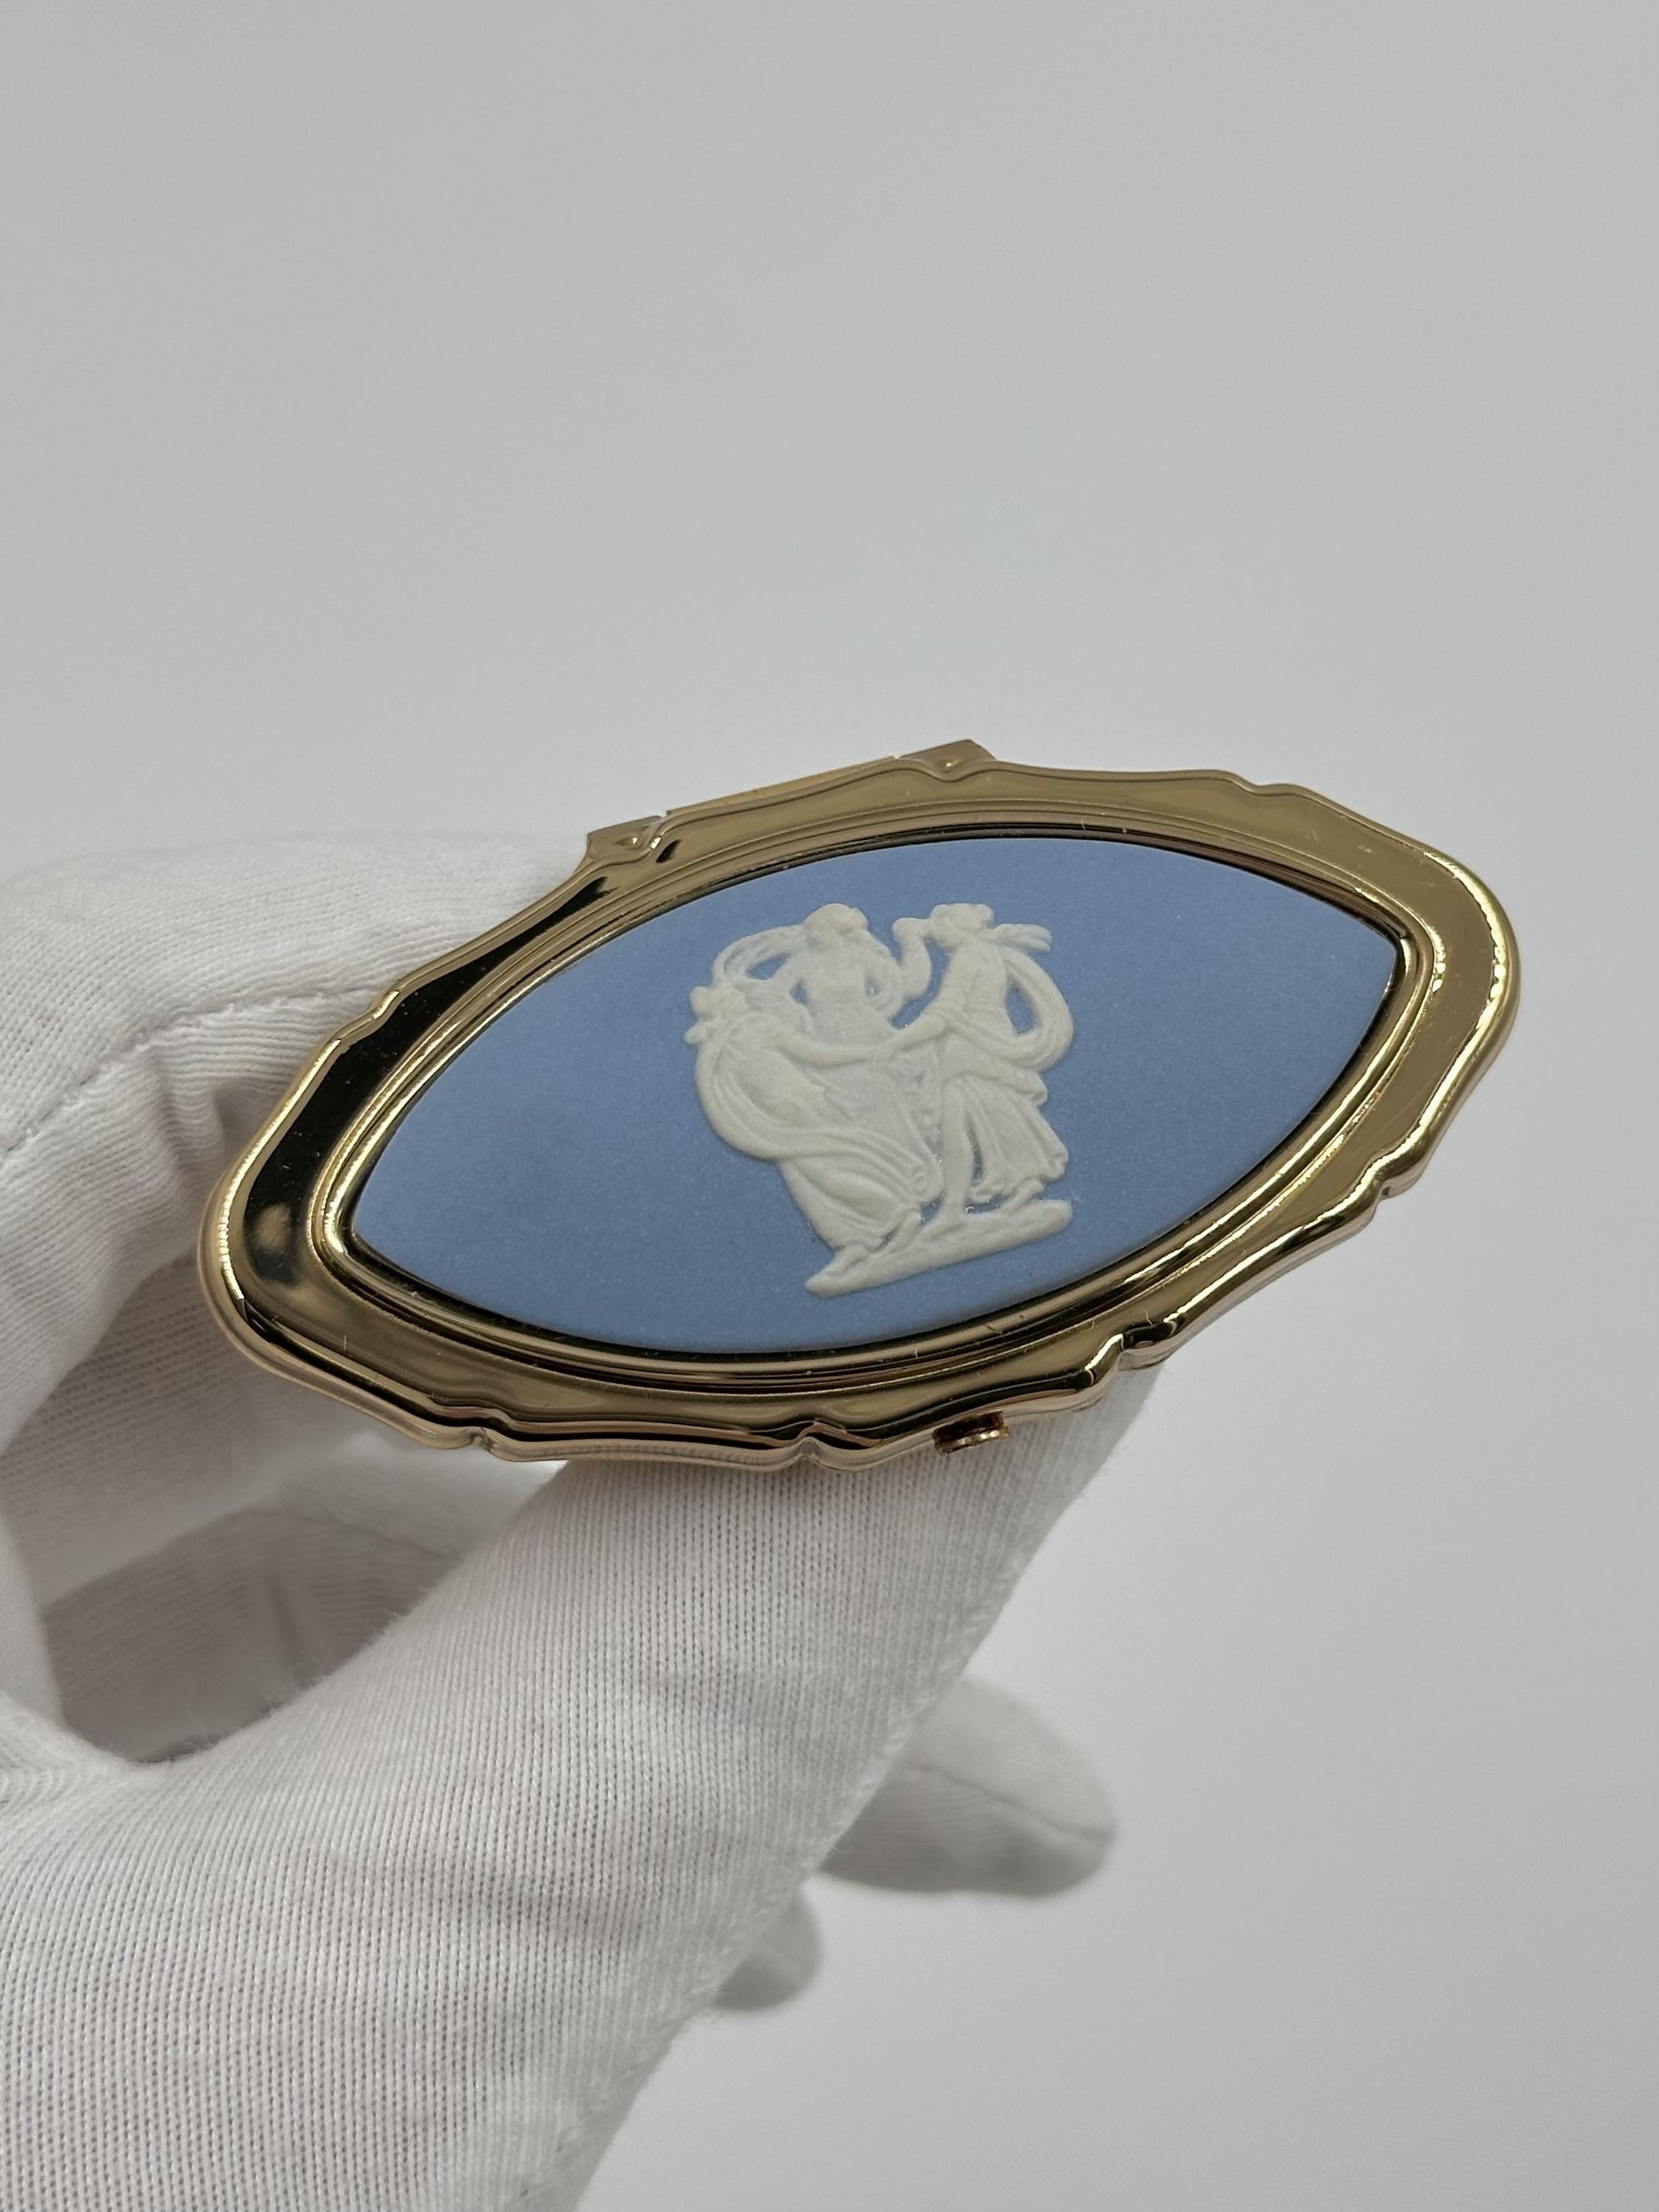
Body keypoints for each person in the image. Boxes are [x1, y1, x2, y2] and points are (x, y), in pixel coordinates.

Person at [0, 836, 1152, 2211]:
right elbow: (802, 1061)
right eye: (827, 945)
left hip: (904, 1124)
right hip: (839, 1148)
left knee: (952, 1154)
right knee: (888, 1169)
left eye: (849, 944)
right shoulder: (798, 1018)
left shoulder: (891, 991)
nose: (841, 949)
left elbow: (940, 1028)